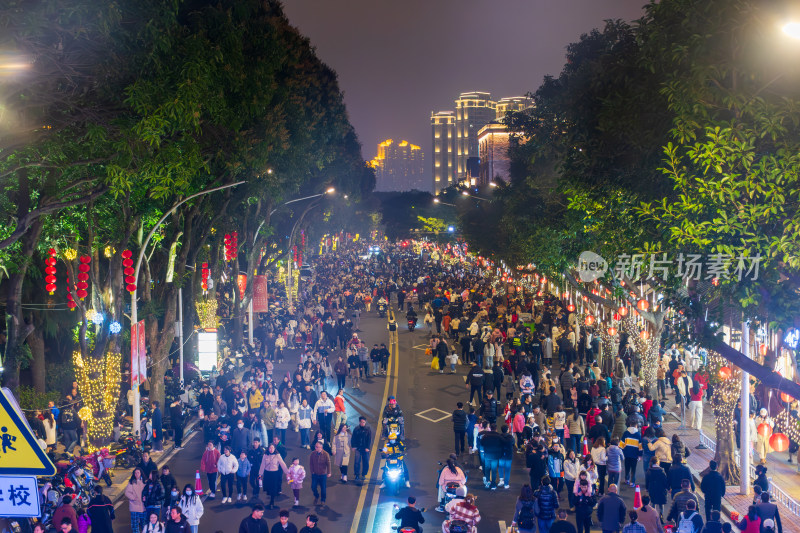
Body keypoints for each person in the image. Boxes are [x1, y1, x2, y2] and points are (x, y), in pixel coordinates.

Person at [259, 443, 289, 509]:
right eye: (270, 448)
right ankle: (271, 498)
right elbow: (262, 465)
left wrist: (287, 472)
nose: (271, 449)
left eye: (272, 448)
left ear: (275, 448)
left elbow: (282, 464)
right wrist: (260, 474)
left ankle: (272, 501)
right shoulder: (265, 455)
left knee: (273, 488)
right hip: (267, 473)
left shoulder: (277, 455)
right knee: (268, 488)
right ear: (268, 448)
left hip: (274, 474)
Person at [309, 440, 332, 506]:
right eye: (315, 447)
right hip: (315, 474)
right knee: (313, 487)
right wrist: (312, 471)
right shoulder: (312, 454)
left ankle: (323, 500)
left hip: (323, 474)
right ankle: (316, 495)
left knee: (323, 488)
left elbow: (328, 463)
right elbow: (311, 464)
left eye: (317, 447)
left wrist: (329, 472)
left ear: (321, 448)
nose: (316, 448)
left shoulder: (326, 454)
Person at [351, 416, 372, 483]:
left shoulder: (368, 429)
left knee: (366, 462)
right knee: (357, 462)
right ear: (359, 422)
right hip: (358, 448)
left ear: (365, 422)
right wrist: (353, 446)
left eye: (363, 422)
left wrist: (367, 448)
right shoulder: (356, 429)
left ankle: (364, 474)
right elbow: (353, 438)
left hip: (365, 449)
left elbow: (369, 439)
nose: (362, 423)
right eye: (361, 422)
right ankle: (357, 475)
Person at [125, 468, 146, 533]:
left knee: (144, 524)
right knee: (134, 525)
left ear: (141, 473)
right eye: (135, 473)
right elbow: (127, 492)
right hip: (134, 506)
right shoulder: (131, 482)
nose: (136, 474)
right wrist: (133, 498)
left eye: (138, 473)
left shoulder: (145, 482)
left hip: (143, 506)